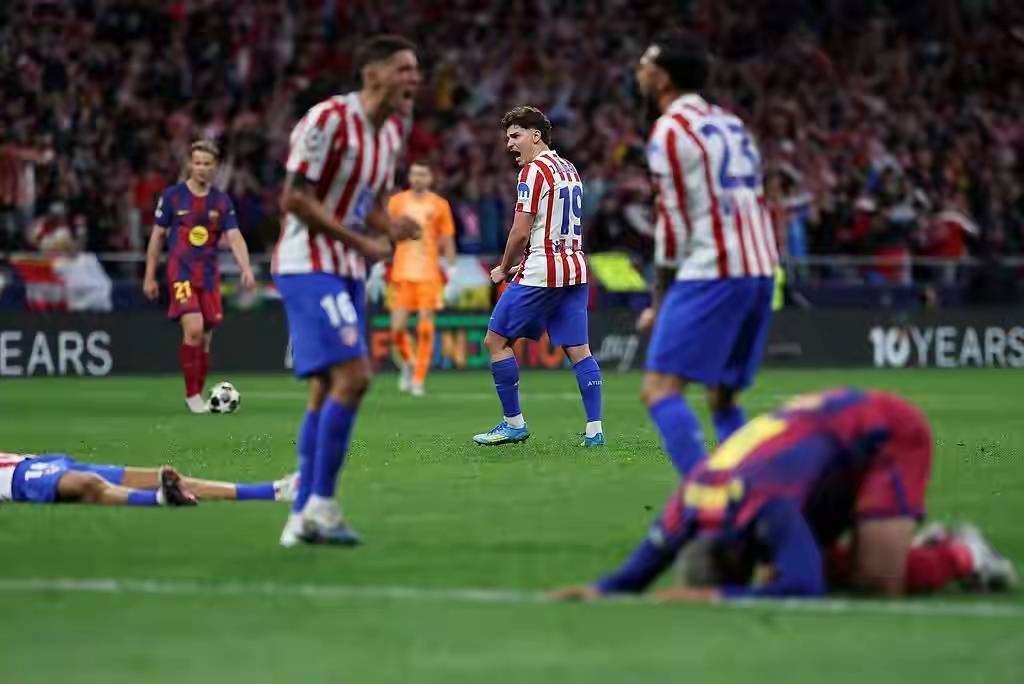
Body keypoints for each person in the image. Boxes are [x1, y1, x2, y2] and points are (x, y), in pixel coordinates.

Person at [551, 388, 1017, 601]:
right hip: (822, 438)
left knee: (876, 582)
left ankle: (963, 555)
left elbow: (803, 588)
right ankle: (903, 547)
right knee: (792, 565)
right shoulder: (690, 503)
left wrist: (719, 598)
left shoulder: (765, 507)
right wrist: (594, 592)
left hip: (885, 431)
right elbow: (632, 577)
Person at [272, 34, 421, 547]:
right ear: (372, 73)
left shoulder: (392, 132)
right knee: (354, 376)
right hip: (307, 263)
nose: (414, 79)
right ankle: (322, 506)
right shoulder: (328, 120)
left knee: (326, 387)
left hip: (348, 268)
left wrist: (390, 225)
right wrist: (362, 241)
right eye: (403, 69)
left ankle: (301, 519)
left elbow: (369, 201)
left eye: (415, 70)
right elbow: (294, 198)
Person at [635, 33, 778, 476]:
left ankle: (708, 496)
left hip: (714, 268)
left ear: (663, 78)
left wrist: (660, 301)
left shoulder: (670, 130)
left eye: (645, 64)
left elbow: (673, 223)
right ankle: (753, 495)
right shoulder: (731, 123)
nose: (639, 71)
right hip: (759, 267)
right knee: (722, 396)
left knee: (659, 388)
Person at [472, 106, 605, 448]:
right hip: (574, 268)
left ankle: (513, 424)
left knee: (495, 341)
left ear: (536, 136)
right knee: (580, 350)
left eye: (515, 136)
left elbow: (520, 230)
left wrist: (504, 267)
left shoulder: (533, 171)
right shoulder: (569, 168)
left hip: (542, 270)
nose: (509, 144)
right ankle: (595, 430)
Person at [143, 140, 256, 414]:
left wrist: (245, 268)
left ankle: (199, 393)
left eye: (207, 164)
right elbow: (157, 236)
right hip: (180, 271)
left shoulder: (221, 201)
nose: (202, 168)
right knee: (193, 328)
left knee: (205, 337)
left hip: (208, 275)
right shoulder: (173, 197)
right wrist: (149, 276)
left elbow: (234, 236)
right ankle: (192, 395)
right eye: (197, 163)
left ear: (215, 167)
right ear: (189, 165)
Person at [386, 161, 457, 397]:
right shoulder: (397, 203)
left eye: (423, 174)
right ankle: (409, 362)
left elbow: (447, 239)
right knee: (397, 330)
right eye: (414, 173)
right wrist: (378, 263)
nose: (418, 178)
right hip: (401, 274)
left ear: (430, 178)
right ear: (409, 176)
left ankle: (418, 379)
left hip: (429, 275)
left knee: (425, 329)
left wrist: (452, 272)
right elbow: (385, 233)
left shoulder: (440, 205)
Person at [0, 451, 297, 506]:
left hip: (38, 461)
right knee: (88, 485)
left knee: (166, 475)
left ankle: (274, 490)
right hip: (18, 479)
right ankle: (159, 499)